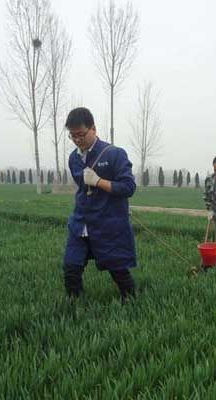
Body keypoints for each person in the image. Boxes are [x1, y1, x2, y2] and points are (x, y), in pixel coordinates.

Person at [62, 107, 137, 301]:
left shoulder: (114, 154)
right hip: (81, 221)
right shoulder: (73, 158)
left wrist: (98, 181)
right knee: (71, 266)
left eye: (81, 134)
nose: (77, 140)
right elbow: (82, 188)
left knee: (117, 268)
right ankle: (74, 305)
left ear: (93, 129)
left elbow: (128, 187)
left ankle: (131, 300)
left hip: (107, 222)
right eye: (72, 136)